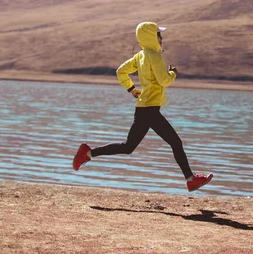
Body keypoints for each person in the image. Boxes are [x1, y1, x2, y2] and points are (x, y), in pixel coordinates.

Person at [73, 22, 213, 192]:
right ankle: (190, 180)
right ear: (151, 37)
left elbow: (120, 72)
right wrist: (173, 73)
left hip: (145, 109)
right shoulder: (154, 56)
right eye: (159, 35)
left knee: (128, 147)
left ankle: (87, 154)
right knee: (175, 142)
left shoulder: (140, 56)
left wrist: (132, 89)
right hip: (149, 110)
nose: (161, 39)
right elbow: (164, 81)